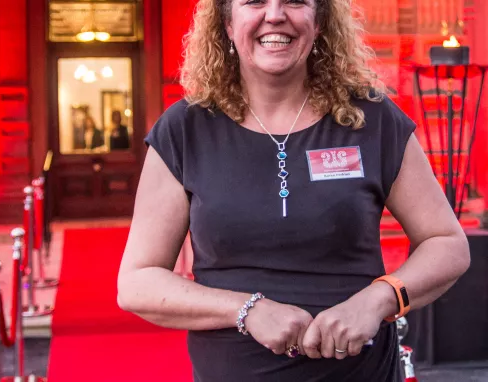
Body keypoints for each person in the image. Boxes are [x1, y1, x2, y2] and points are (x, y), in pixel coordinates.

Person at [117, 0, 470, 381]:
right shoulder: (184, 130)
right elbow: (138, 282)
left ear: (319, 22)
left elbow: (447, 243)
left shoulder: (372, 120)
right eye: (254, 1)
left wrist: (379, 299)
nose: (274, 14)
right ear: (227, 23)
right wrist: (246, 310)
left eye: (294, 0)